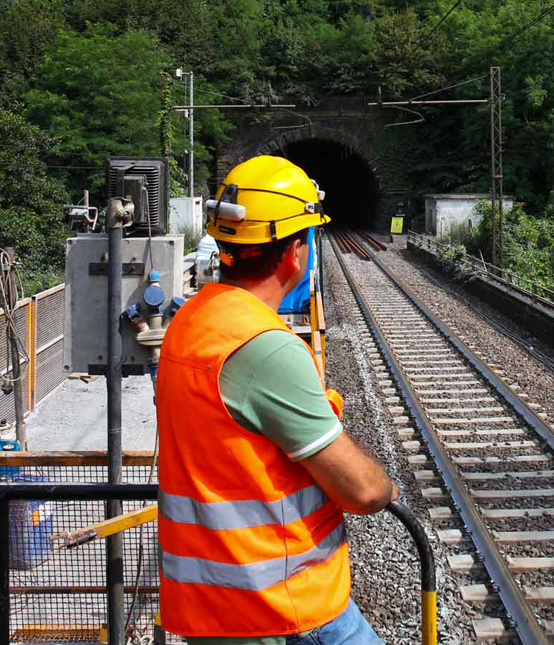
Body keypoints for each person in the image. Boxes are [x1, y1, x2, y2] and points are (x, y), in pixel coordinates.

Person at [156, 155, 397, 645]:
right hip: (283, 607)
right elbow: (363, 492)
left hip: (212, 604)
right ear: (295, 252)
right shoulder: (264, 348)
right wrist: (387, 486)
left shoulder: (192, 323)